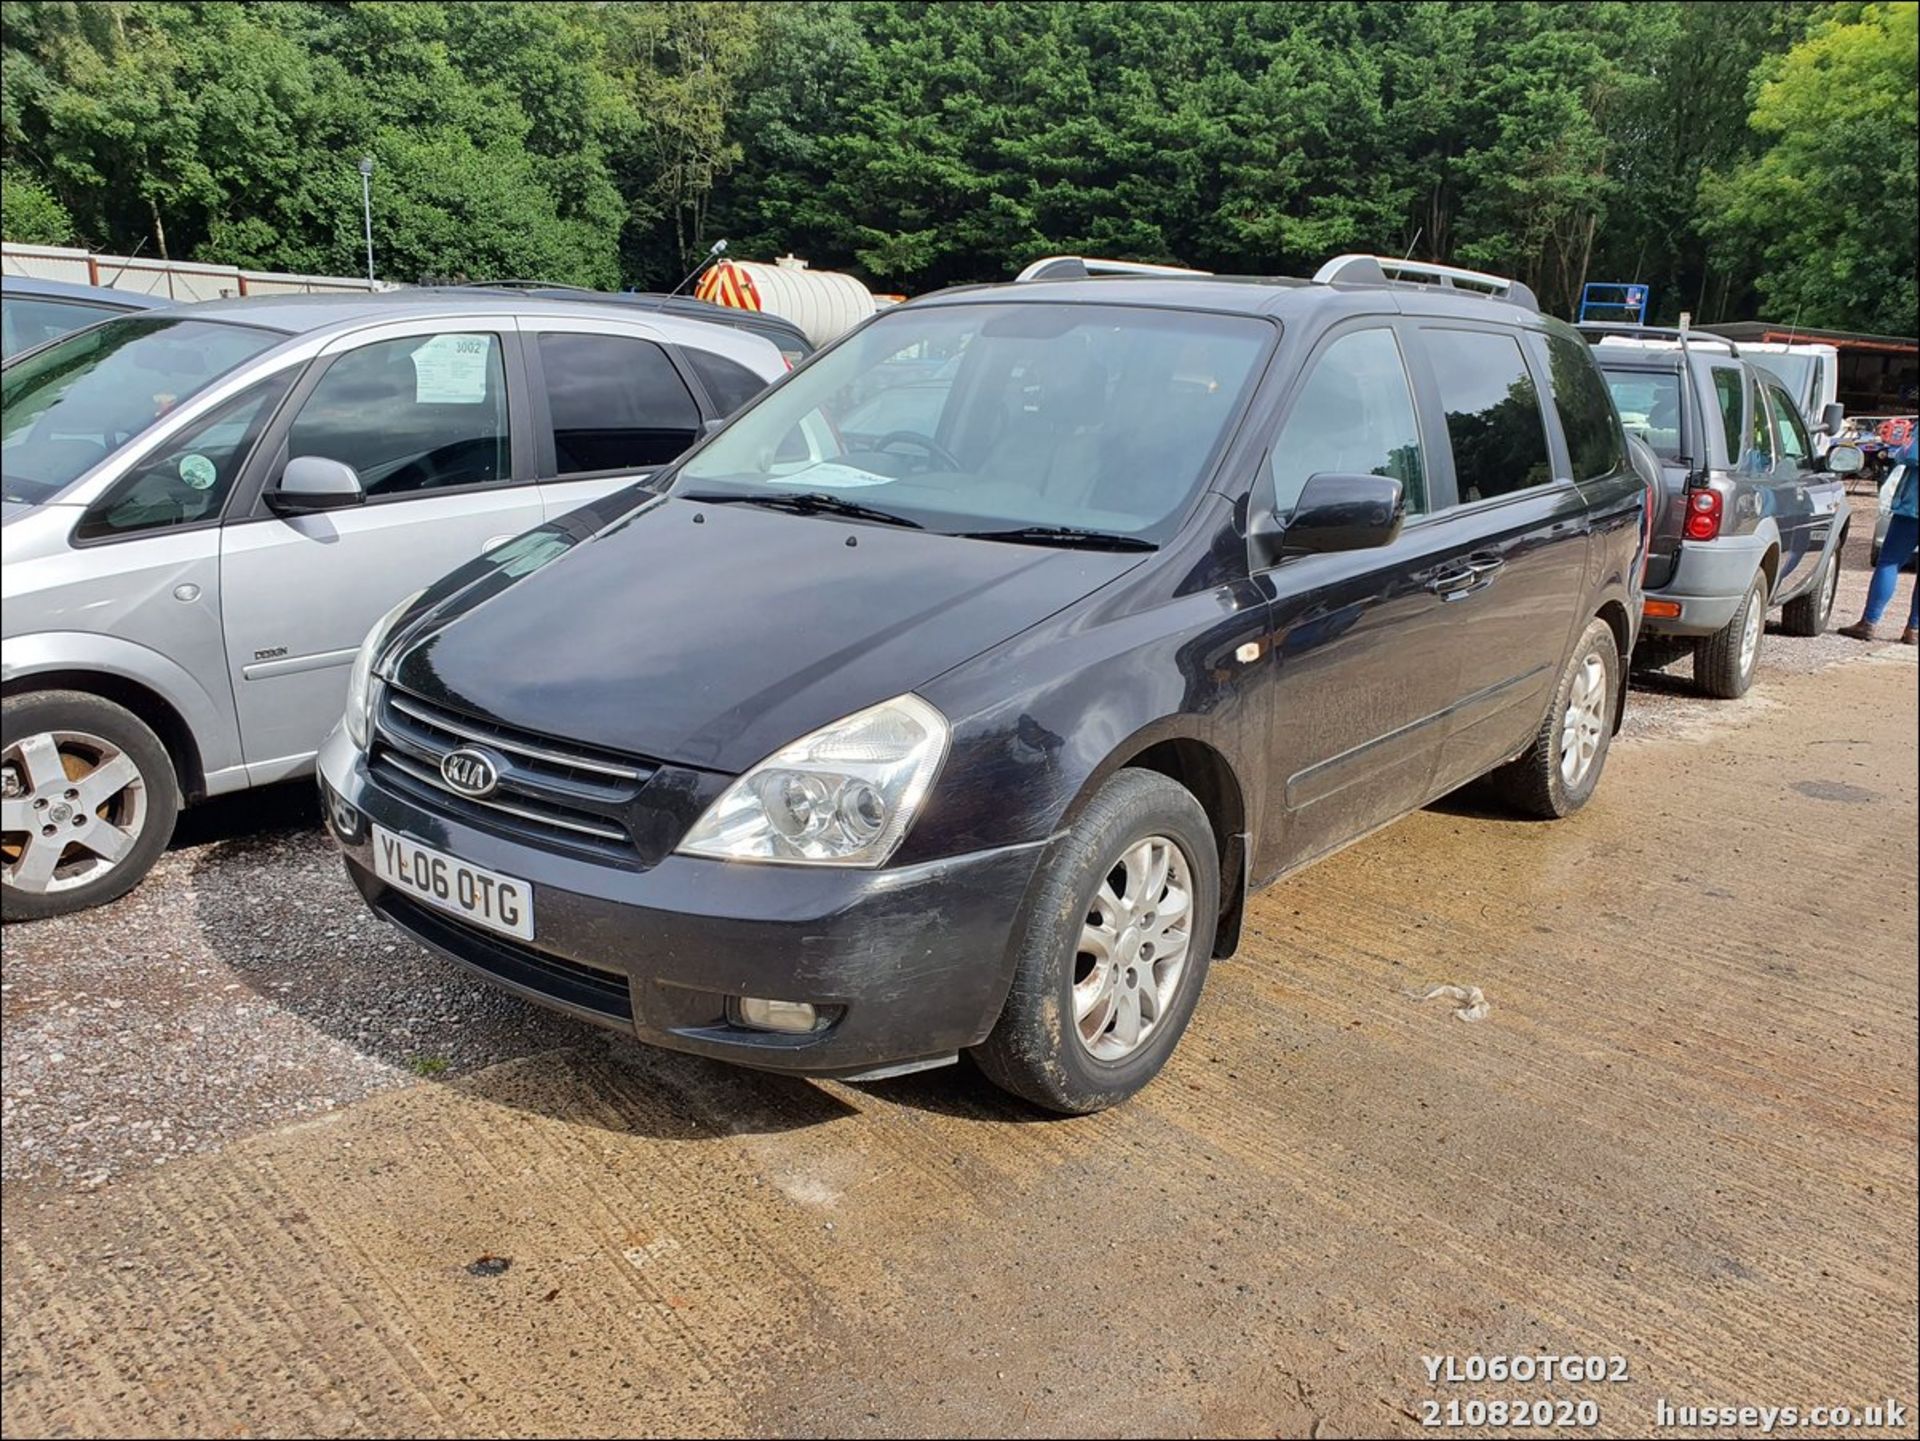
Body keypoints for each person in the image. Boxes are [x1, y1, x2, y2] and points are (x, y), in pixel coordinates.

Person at [1840, 431, 1919, 646]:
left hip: (1913, 506)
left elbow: (1911, 455)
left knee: (1890, 561)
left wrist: (1901, 450)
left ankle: (1869, 622)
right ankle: (1914, 629)